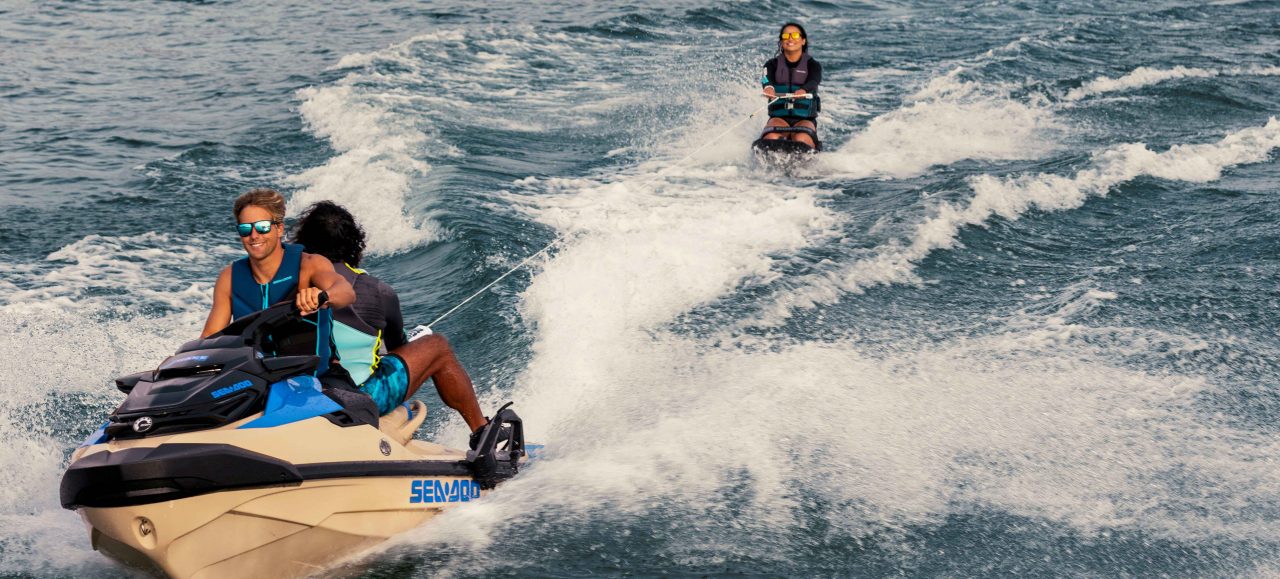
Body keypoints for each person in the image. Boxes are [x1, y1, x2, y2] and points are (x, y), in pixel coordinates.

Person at [290, 201, 489, 443]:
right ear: (354, 243)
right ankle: (483, 432)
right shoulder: (377, 292)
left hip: (298, 395)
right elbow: (397, 347)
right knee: (437, 346)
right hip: (359, 398)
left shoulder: (288, 287)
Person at [760, 22, 822, 149]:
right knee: (771, 137)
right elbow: (766, 79)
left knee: (801, 138)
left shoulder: (813, 65)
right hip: (779, 118)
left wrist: (803, 90)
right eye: (786, 35)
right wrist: (768, 88)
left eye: (794, 35)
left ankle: (805, 167)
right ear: (781, 41)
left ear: (803, 41)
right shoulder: (771, 64)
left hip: (805, 119)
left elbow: (814, 81)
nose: (790, 38)